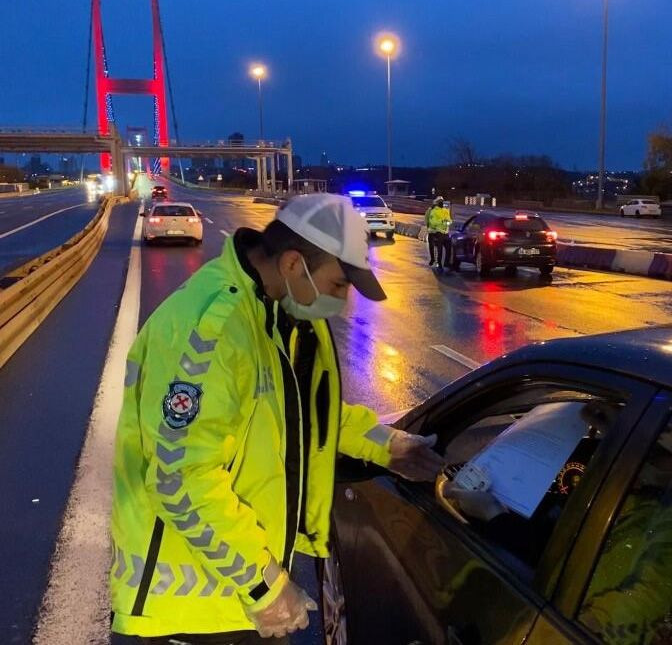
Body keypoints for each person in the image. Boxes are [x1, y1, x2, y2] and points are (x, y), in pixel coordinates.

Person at [109, 193, 444, 644]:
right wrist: (264, 586)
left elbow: (308, 413)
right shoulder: (215, 330)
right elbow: (180, 479)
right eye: (338, 285)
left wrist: (387, 445)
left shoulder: (273, 314)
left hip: (235, 597)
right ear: (292, 264)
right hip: (187, 617)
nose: (343, 303)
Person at [445, 423, 672, 645]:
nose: (644, 459)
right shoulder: (616, 496)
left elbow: (645, 601)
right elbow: (555, 551)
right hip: (529, 608)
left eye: (658, 456)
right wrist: (496, 517)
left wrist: (579, 625)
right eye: (646, 451)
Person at [427, 198, 453, 268]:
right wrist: (442, 222)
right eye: (440, 202)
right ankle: (438, 261)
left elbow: (449, 220)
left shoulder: (445, 211)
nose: (442, 203)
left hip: (445, 232)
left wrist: (448, 222)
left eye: (442, 202)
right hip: (437, 232)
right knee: (439, 247)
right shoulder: (433, 211)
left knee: (449, 247)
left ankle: (446, 262)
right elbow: (432, 222)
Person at [425, 197, 443, 265]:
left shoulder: (431, 210)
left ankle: (434, 259)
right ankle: (437, 260)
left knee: (434, 246)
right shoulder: (431, 210)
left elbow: (426, 219)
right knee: (438, 246)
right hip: (436, 231)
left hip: (434, 231)